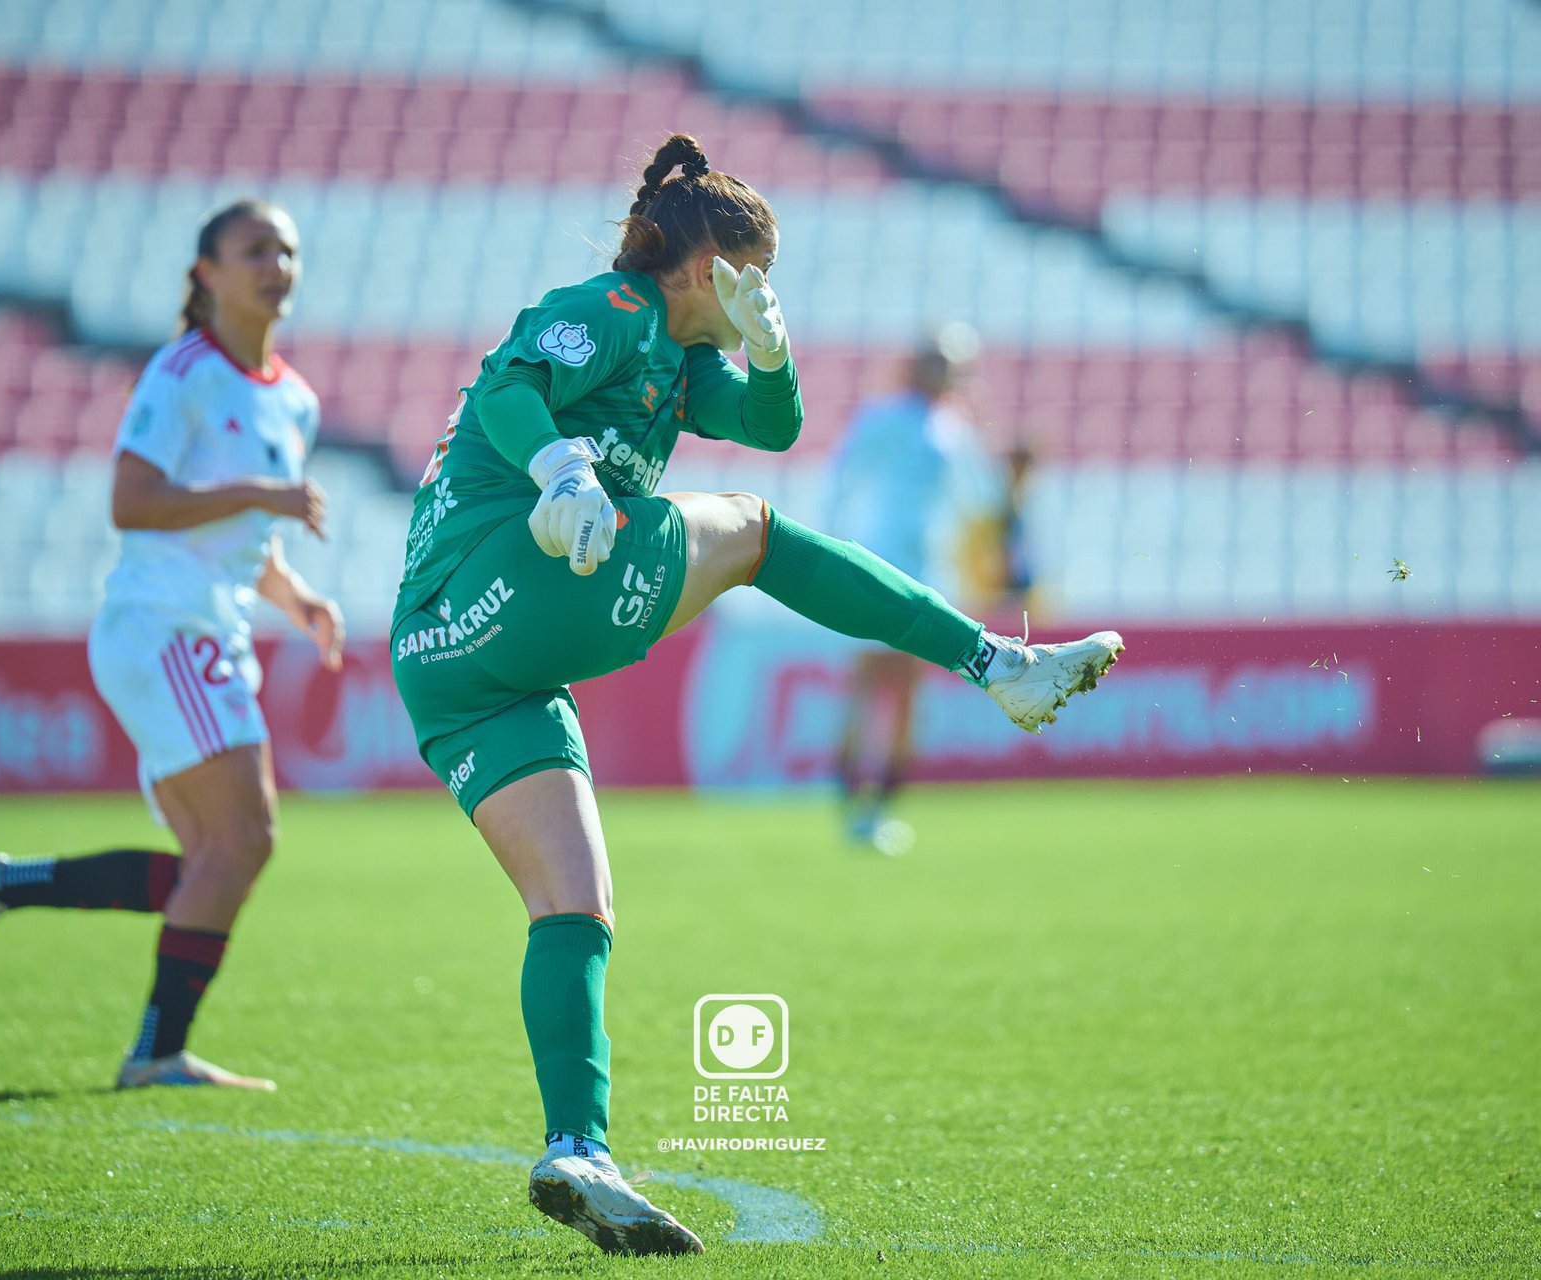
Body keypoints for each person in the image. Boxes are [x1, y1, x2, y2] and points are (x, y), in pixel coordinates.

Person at [390, 134, 1123, 1256]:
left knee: (576, 903)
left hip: (455, 663)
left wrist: (772, 353)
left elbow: (771, 427)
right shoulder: (618, 307)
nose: (761, 290)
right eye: (750, 273)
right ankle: (996, 665)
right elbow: (507, 389)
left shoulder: (681, 356)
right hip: (504, 570)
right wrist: (561, 470)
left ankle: (576, 1147)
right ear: (695, 265)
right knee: (760, 534)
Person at [0, 198, 344, 1092]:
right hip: (166, 624)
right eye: (254, 249)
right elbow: (133, 501)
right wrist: (260, 494)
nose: (276, 263)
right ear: (206, 273)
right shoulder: (183, 370)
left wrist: (296, 595)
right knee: (245, 842)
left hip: (207, 624)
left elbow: (245, 538)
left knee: (212, 861)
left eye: (287, 249)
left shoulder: (298, 399)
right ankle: (156, 1052)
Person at [825, 323, 992, 855]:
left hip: (929, 573)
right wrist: (834, 547)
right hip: (879, 562)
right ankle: (852, 795)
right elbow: (842, 475)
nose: (945, 373)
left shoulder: (954, 428)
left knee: (909, 688)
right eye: (937, 361)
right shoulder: (885, 416)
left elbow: (977, 504)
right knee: (869, 680)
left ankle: (883, 804)